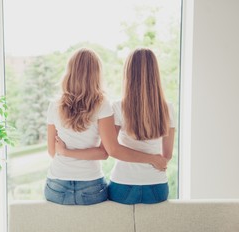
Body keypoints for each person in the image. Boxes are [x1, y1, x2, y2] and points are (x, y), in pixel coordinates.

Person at [45, 48, 167, 205]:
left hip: (56, 185)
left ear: (69, 72)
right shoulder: (102, 105)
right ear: (97, 74)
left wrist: (65, 152)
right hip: (90, 185)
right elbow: (104, 153)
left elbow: (52, 151)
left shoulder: (54, 105)